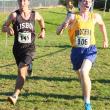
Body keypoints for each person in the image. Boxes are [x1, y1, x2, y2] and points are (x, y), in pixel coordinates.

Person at [56, 0, 108, 110]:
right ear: (79, 4)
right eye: (84, 1)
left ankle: (87, 103)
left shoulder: (95, 16)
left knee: (84, 71)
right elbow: (58, 31)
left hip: (90, 49)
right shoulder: (73, 17)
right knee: (81, 76)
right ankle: (85, 91)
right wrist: (62, 27)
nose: (87, 3)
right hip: (76, 51)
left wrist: (105, 39)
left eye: (89, 1)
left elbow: (102, 25)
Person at [2, 0, 45, 105]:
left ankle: (15, 95)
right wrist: (8, 29)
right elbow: (3, 27)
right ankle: (29, 65)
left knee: (21, 71)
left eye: (25, 0)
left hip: (30, 48)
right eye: (20, 0)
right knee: (22, 68)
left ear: (28, 2)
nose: (22, 2)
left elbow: (41, 20)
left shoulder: (34, 14)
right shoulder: (14, 15)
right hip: (17, 49)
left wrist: (43, 30)